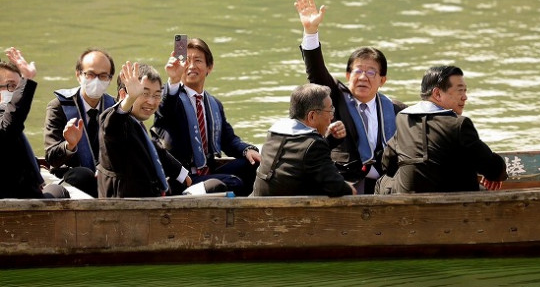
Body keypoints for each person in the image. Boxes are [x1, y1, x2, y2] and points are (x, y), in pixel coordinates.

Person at [294, 0, 405, 194]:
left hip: (386, 182)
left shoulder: (395, 108)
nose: (363, 77)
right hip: (347, 180)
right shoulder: (335, 98)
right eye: (358, 71)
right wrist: (311, 31)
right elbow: (316, 71)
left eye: (371, 72)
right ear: (348, 75)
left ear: (382, 80)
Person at [152, 37, 261, 196]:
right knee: (233, 183)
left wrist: (247, 150)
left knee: (252, 164)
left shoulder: (214, 104)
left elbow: (229, 141)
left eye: (198, 60)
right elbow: (164, 109)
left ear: (209, 67)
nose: (191, 66)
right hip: (181, 179)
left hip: (206, 173)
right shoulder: (169, 98)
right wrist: (174, 79)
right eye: (187, 61)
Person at [375, 65, 507, 194]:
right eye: (460, 91)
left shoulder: (404, 119)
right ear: (437, 93)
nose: (465, 97)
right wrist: (496, 174)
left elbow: (387, 164)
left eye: (465, 91)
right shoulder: (459, 124)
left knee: (382, 182)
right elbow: (493, 168)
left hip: (406, 204)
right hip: (454, 204)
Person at [97, 62, 196, 198]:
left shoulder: (136, 123)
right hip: (125, 205)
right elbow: (112, 126)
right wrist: (130, 99)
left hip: (150, 196)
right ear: (123, 95)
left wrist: (181, 173)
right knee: (214, 186)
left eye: (156, 95)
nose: (151, 101)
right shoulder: (115, 123)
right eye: (144, 93)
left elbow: (152, 148)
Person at [252, 84, 356, 197]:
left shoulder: (274, 132)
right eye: (330, 110)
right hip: (285, 207)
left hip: (258, 202)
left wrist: (329, 140)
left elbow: (302, 157)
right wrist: (350, 189)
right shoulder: (314, 145)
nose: (332, 117)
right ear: (312, 116)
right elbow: (337, 188)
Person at [44, 48, 116, 197]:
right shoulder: (59, 106)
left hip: (106, 177)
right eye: (90, 74)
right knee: (82, 175)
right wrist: (69, 145)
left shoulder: (115, 108)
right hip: (72, 179)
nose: (96, 81)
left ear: (110, 79)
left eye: (103, 76)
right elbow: (51, 158)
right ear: (78, 75)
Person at [1, 49, 68, 199]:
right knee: (60, 191)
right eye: (12, 86)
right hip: (17, 202)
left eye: (19, 87)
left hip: (22, 193)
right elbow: (9, 127)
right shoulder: (6, 122)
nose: (17, 93)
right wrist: (27, 79)